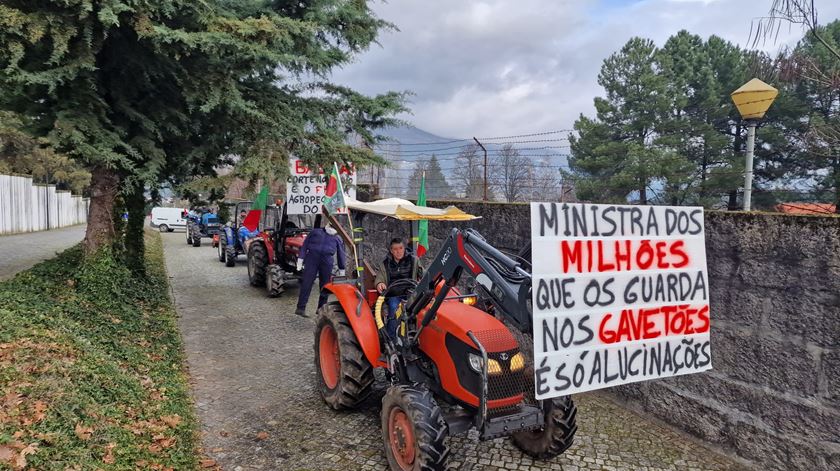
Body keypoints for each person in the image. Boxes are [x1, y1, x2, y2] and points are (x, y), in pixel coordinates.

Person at [374, 238, 422, 339]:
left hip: (410, 294)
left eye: (400, 248)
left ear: (404, 248)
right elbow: (380, 278)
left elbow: (423, 274)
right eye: (395, 249)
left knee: (420, 310)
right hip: (394, 295)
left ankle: (417, 336)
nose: (398, 251)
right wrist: (380, 283)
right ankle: (391, 339)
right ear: (391, 251)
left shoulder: (414, 260)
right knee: (394, 309)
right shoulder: (385, 264)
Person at [295, 223, 346, 317]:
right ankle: (300, 308)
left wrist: (342, 268)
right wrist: (300, 259)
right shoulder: (315, 232)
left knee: (325, 286)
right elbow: (305, 245)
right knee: (307, 282)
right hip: (312, 259)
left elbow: (341, 254)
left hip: (327, 261)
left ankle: (321, 309)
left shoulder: (337, 238)